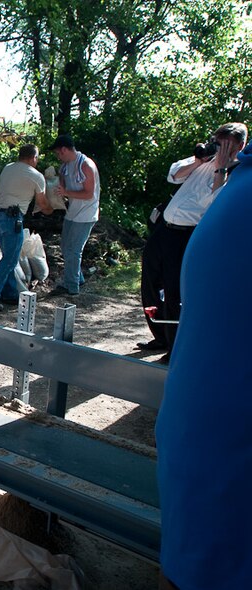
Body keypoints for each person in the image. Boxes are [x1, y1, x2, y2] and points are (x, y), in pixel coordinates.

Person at [156, 140, 252, 590]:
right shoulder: (233, 183)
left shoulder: (236, 188)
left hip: (206, 510)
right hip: (221, 520)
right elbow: (176, 175)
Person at [138, 123, 247, 357]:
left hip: (186, 234)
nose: (218, 147)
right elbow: (173, 174)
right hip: (164, 229)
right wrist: (199, 160)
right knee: (149, 281)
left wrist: (222, 168)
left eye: (224, 144)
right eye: (217, 142)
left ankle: (175, 346)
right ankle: (159, 336)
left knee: (174, 291)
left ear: (239, 146)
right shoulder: (204, 160)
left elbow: (214, 204)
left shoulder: (236, 173)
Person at [0, 144, 53, 311]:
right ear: (33, 158)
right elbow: (42, 204)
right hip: (12, 219)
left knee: (9, 257)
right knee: (10, 259)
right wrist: (52, 209)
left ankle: (10, 294)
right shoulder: (36, 176)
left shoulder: (8, 168)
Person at [48, 135, 100, 296]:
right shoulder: (65, 166)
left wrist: (66, 192)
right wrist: (58, 188)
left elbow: (89, 194)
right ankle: (78, 278)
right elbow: (62, 180)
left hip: (86, 214)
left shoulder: (85, 165)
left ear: (64, 149)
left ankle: (71, 288)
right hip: (72, 212)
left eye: (58, 153)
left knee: (74, 250)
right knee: (65, 247)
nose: (58, 156)